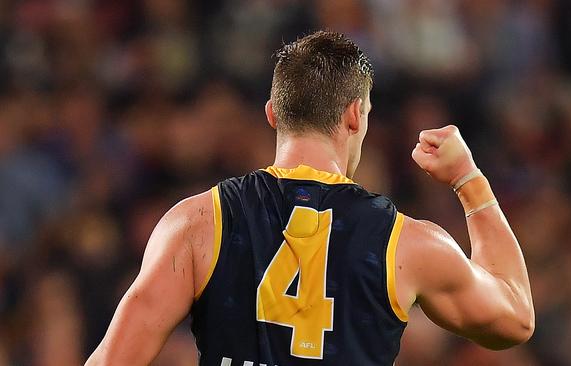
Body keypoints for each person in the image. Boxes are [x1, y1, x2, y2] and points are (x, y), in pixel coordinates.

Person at [86, 31, 534, 366]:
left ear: (272, 113)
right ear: (356, 115)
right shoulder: (408, 244)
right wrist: (469, 179)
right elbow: (515, 318)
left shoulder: (198, 222)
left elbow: (112, 359)